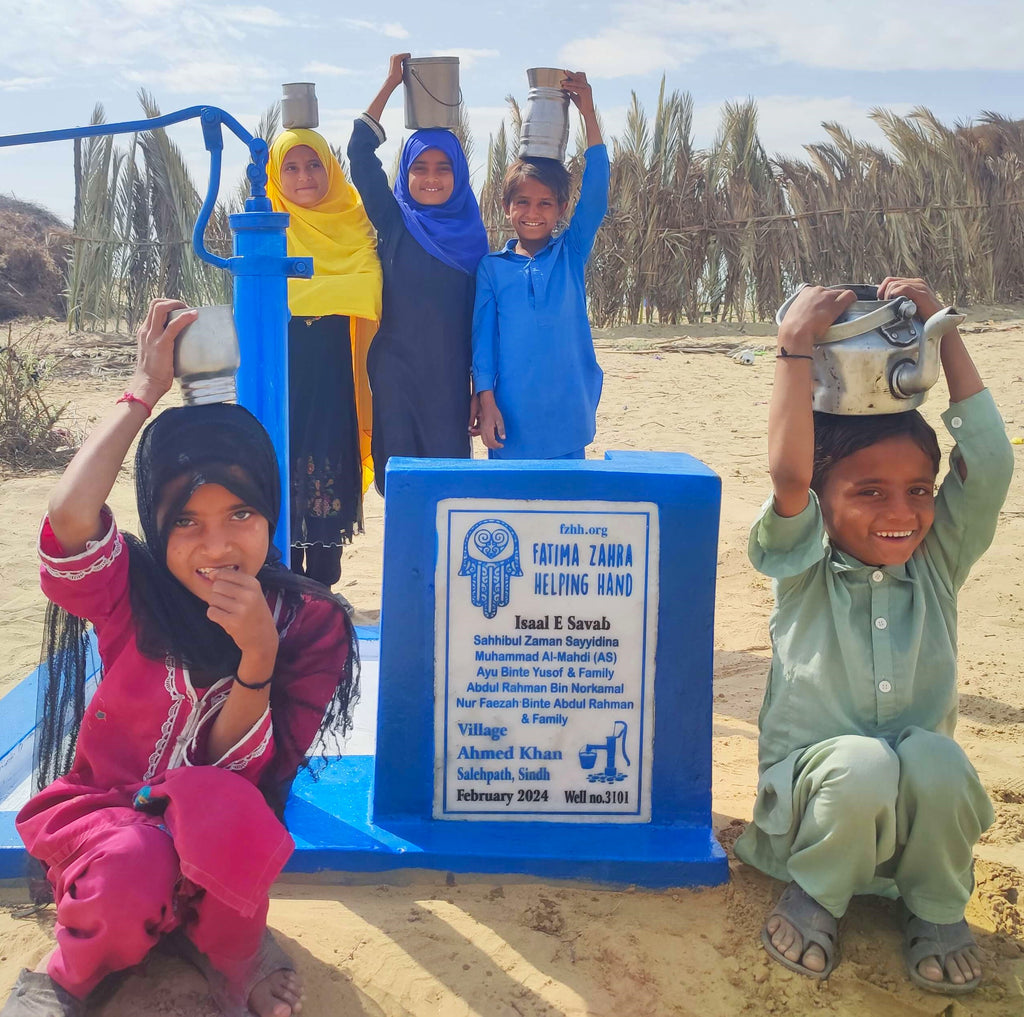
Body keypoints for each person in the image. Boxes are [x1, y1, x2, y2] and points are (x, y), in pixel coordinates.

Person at [2, 300, 359, 1017]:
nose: (218, 546)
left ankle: (228, 954)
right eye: (187, 521)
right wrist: (142, 391)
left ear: (270, 510)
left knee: (223, 807)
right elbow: (70, 521)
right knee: (134, 862)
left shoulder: (308, 620)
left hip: (218, 837)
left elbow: (253, 770)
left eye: (241, 515)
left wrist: (258, 652)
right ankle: (64, 974)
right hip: (107, 819)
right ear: (156, 523)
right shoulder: (131, 588)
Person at [735, 279, 1013, 994]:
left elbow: (990, 467)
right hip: (815, 814)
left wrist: (941, 330)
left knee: (940, 761)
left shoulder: (937, 563)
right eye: (869, 491)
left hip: (909, 826)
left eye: (919, 490)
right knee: (861, 763)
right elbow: (790, 470)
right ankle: (817, 895)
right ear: (823, 502)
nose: (903, 512)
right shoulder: (802, 569)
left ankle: (934, 906)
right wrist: (794, 349)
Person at [348, 53, 489, 493]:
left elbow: (480, 325)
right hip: (394, 379)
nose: (431, 178)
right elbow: (359, 152)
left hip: (448, 382)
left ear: (459, 175)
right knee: (401, 486)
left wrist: (479, 389)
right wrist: (391, 83)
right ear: (405, 173)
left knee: (448, 487)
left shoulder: (474, 241)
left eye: (443, 168)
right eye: (419, 168)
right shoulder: (394, 221)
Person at [472, 71, 608, 460]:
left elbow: (596, 196)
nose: (533, 213)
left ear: (561, 209)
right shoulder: (491, 268)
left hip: (567, 418)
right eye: (523, 203)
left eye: (545, 203)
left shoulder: (571, 253)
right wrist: (486, 401)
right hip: (510, 421)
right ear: (506, 207)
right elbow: (484, 343)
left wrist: (589, 114)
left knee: (563, 514)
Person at [266, 129, 382, 586]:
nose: (304, 177)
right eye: (290, 168)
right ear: (276, 175)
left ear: (330, 169)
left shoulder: (355, 222)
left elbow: (370, 295)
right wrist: (332, 292)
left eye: (314, 164)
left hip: (338, 379)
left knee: (330, 483)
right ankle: (293, 599)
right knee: (282, 483)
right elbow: (258, 304)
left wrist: (308, 294)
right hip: (285, 380)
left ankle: (325, 596)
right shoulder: (267, 228)